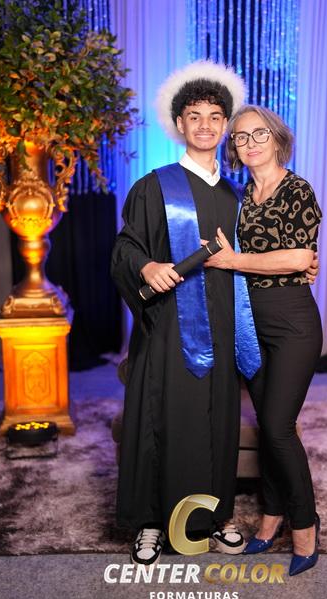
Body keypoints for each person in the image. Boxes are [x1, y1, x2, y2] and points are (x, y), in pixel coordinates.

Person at [110, 61, 254, 566]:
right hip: (170, 328)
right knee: (161, 420)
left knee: (218, 422)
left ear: (226, 125)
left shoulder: (237, 195)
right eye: (194, 116)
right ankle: (151, 523)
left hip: (223, 325)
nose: (205, 126)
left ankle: (216, 516)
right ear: (179, 123)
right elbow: (125, 247)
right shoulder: (155, 187)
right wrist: (146, 265)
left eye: (215, 117)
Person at [205, 104, 323, 576]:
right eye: (240, 136)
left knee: (277, 427)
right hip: (247, 325)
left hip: (293, 322)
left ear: (277, 139)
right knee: (268, 425)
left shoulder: (298, 190)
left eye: (259, 134)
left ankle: (305, 526)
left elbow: (297, 258)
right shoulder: (237, 198)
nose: (250, 143)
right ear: (233, 147)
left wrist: (235, 262)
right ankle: (271, 517)